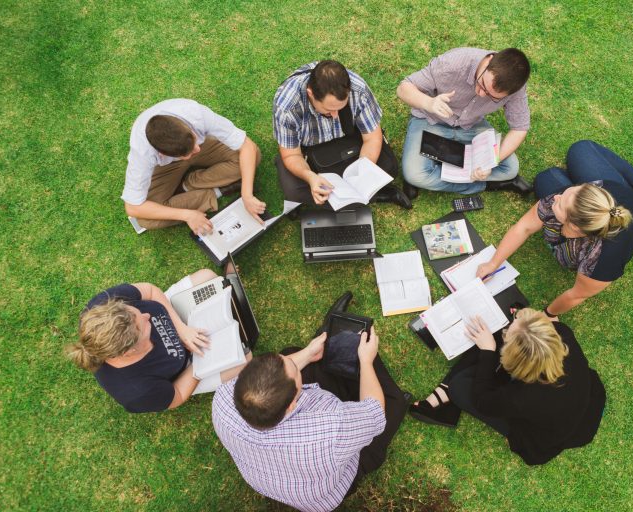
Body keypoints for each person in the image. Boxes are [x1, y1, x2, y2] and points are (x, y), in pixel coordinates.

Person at [212, 292, 410, 512]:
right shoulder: (330, 432)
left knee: (292, 353)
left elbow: (288, 365)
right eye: (294, 370)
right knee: (394, 402)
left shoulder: (222, 401)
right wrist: (365, 360)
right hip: (332, 482)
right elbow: (374, 412)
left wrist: (306, 355)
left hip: (281, 478)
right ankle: (347, 340)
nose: (294, 364)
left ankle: (334, 335)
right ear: (291, 407)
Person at [475, 140, 633, 318]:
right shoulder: (565, 199)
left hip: (619, 202)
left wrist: (548, 314)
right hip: (605, 194)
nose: (555, 198)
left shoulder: (602, 261)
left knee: (554, 173)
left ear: (573, 225)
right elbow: (523, 227)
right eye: (569, 192)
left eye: (561, 202)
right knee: (568, 159)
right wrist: (493, 263)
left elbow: (576, 295)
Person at [410, 308, 606, 466]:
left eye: (509, 335)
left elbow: (483, 402)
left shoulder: (522, 397)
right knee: (493, 334)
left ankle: (444, 394)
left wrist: (488, 352)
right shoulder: (563, 333)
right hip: (580, 400)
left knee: (459, 387)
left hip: (542, 436)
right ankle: (441, 396)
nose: (510, 326)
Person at [65, 266, 251, 413]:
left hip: (174, 312)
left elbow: (150, 291)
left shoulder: (101, 307)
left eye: (137, 312)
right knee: (245, 356)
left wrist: (182, 329)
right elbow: (177, 394)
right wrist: (200, 362)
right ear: (130, 350)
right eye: (144, 326)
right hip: (188, 367)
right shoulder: (136, 392)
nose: (147, 316)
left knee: (209, 276)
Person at [397, 47, 534, 198]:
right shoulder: (454, 62)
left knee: (510, 168)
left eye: (491, 96)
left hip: (471, 126)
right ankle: (486, 184)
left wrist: (491, 162)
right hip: (431, 121)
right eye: (482, 84)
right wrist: (429, 103)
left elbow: (520, 128)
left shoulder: (516, 88)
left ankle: (438, 168)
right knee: (414, 174)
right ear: (489, 60)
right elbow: (404, 88)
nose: (481, 94)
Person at [273, 60, 412, 209]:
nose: (335, 116)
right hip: (309, 152)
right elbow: (291, 155)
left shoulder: (358, 89)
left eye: (341, 108)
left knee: (388, 166)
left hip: (349, 141)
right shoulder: (287, 107)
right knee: (294, 191)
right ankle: (375, 194)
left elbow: (372, 138)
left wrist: (362, 172)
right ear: (310, 94)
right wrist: (310, 177)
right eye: (328, 110)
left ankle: (355, 197)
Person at [122, 98, 264, 235]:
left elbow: (247, 146)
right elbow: (133, 207)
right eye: (187, 154)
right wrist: (187, 215)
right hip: (166, 167)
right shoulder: (142, 154)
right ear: (161, 153)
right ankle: (218, 191)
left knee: (253, 156)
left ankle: (188, 185)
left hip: (205, 145)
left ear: (187, 127)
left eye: (194, 140)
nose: (196, 151)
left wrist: (247, 195)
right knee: (146, 220)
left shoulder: (195, 113)